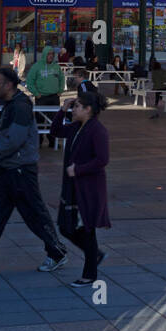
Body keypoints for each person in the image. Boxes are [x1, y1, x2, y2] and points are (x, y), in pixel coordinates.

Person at [0, 67, 70, 273]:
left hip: (21, 171)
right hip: (8, 169)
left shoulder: (20, 106)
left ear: (9, 85)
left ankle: (57, 252)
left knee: (34, 215)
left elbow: (14, 141)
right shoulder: (11, 104)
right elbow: (4, 132)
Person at [50, 87, 111, 287]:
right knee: (66, 227)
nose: (74, 110)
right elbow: (55, 131)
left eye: (77, 106)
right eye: (74, 106)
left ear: (88, 109)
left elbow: (102, 159)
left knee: (88, 230)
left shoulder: (97, 130)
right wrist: (63, 110)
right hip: (74, 185)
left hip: (89, 187)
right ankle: (95, 256)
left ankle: (89, 273)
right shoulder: (76, 127)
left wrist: (79, 169)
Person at [27, 45, 66, 148]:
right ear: (44, 55)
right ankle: (38, 142)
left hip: (54, 97)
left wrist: (60, 91)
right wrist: (36, 93)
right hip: (41, 97)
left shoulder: (56, 66)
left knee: (54, 121)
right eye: (49, 54)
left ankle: (53, 142)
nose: (51, 56)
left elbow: (62, 79)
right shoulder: (37, 66)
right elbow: (29, 82)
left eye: (52, 54)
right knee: (39, 120)